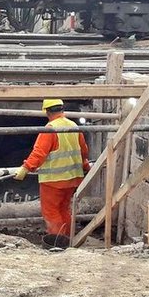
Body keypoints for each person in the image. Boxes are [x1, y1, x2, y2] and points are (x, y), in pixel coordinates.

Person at [13, 98, 91, 249]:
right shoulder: (73, 125)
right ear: (62, 110)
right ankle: (67, 240)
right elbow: (83, 150)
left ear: (47, 112)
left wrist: (25, 168)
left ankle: (57, 244)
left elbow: (39, 153)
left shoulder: (50, 129)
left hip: (54, 180)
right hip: (73, 178)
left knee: (51, 212)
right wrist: (85, 165)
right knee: (64, 209)